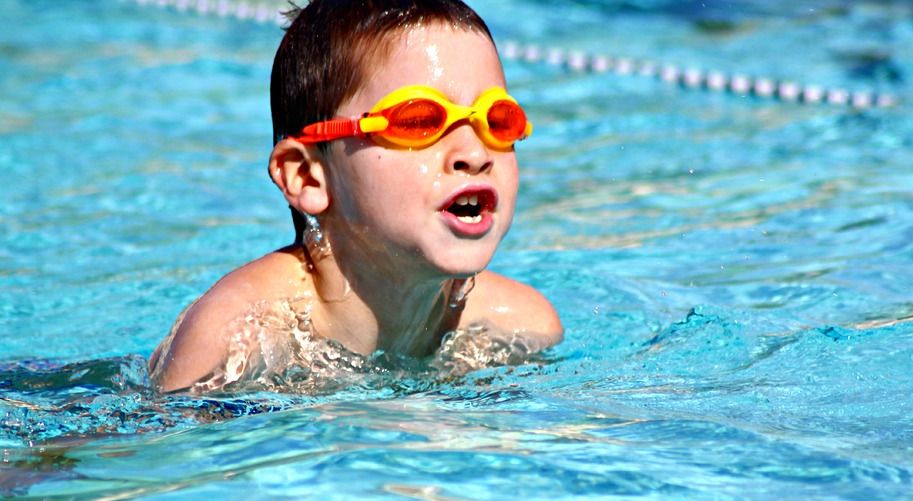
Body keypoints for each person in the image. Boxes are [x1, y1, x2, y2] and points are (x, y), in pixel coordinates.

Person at [148, 0, 563, 393]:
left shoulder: (522, 327)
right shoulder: (238, 336)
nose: (474, 154)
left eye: (498, 120)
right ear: (308, 176)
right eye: (419, 120)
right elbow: (157, 458)